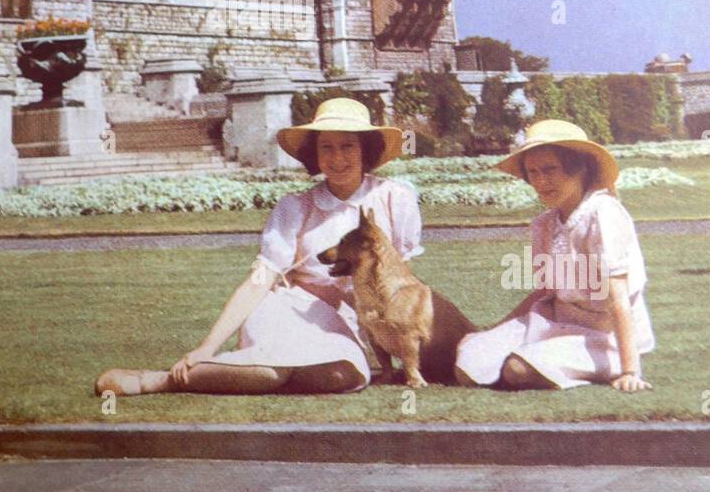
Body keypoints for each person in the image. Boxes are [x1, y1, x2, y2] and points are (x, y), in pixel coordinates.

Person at [93, 98, 424, 397]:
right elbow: (260, 280)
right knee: (270, 370)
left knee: (341, 376)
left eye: (347, 146)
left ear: (365, 148)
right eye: (327, 148)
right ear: (315, 153)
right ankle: (163, 380)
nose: (337, 159)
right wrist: (208, 345)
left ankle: (254, 375)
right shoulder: (295, 207)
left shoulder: (395, 198)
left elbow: (403, 283)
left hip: (348, 322)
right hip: (289, 310)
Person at [454, 119, 655, 392]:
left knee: (517, 369)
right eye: (533, 172)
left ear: (580, 167)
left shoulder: (603, 214)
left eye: (550, 170)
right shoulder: (544, 224)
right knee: (469, 359)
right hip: (555, 323)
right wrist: (493, 330)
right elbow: (545, 294)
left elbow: (619, 297)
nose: (541, 181)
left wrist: (630, 371)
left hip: (604, 334)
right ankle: (533, 359)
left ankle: (605, 365)